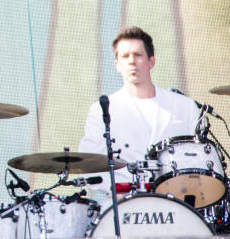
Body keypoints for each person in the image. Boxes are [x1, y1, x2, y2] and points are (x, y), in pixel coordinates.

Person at [78, 27, 201, 192]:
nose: (131, 61)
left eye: (137, 55)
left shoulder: (184, 106)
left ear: (151, 61)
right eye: (125, 56)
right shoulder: (103, 109)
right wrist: (120, 190)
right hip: (124, 205)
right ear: (117, 65)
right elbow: (89, 165)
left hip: (176, 201)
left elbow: (199, 160)